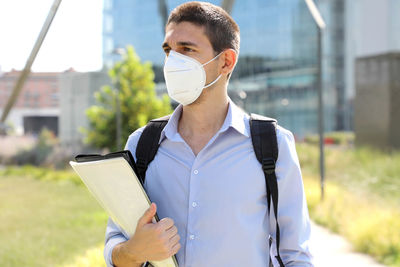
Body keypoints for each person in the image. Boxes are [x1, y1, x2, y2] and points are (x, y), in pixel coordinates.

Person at [104, 2, 313, 266]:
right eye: (168, 50)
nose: (172, 62)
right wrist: (134, 251)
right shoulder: (141, 144)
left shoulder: (273, 144)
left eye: (187, 49)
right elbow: (115, 242)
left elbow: (295, 255)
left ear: (226, 61)